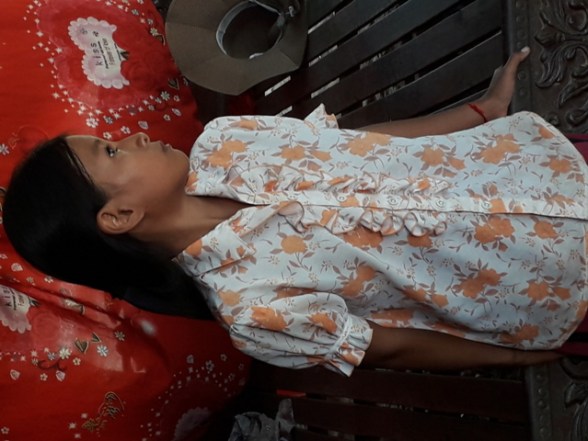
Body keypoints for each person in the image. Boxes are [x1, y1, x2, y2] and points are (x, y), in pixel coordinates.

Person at [3, 48, 587, 375]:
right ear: (119, 216)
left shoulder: (228, 140)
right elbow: (391, 345)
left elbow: (365, 145)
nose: (131, 137)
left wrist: (480, 114)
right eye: (111, 151)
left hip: (538, 169)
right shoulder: (251, 308)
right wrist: (519, 357)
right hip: (548, 280)